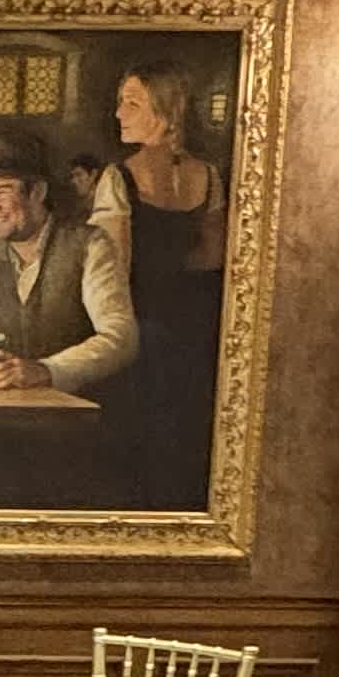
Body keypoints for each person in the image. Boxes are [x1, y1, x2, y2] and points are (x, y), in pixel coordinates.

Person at [92, 57, 228, 503]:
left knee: (141, 443)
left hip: (143, 329)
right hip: (196, 326)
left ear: (165, 110)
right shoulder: (208, 176)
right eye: (120, 102)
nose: (119, 113)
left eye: (132, 103)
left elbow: (113, 271)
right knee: (182, 436)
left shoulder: (118, 177)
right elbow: (209, 257)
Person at [0, 131, 137, 394]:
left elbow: (121, 338)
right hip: (4, 407)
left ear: (38, 192)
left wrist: (47, 370)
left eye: (2, 191)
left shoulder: (90, 245)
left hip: (78, 407)